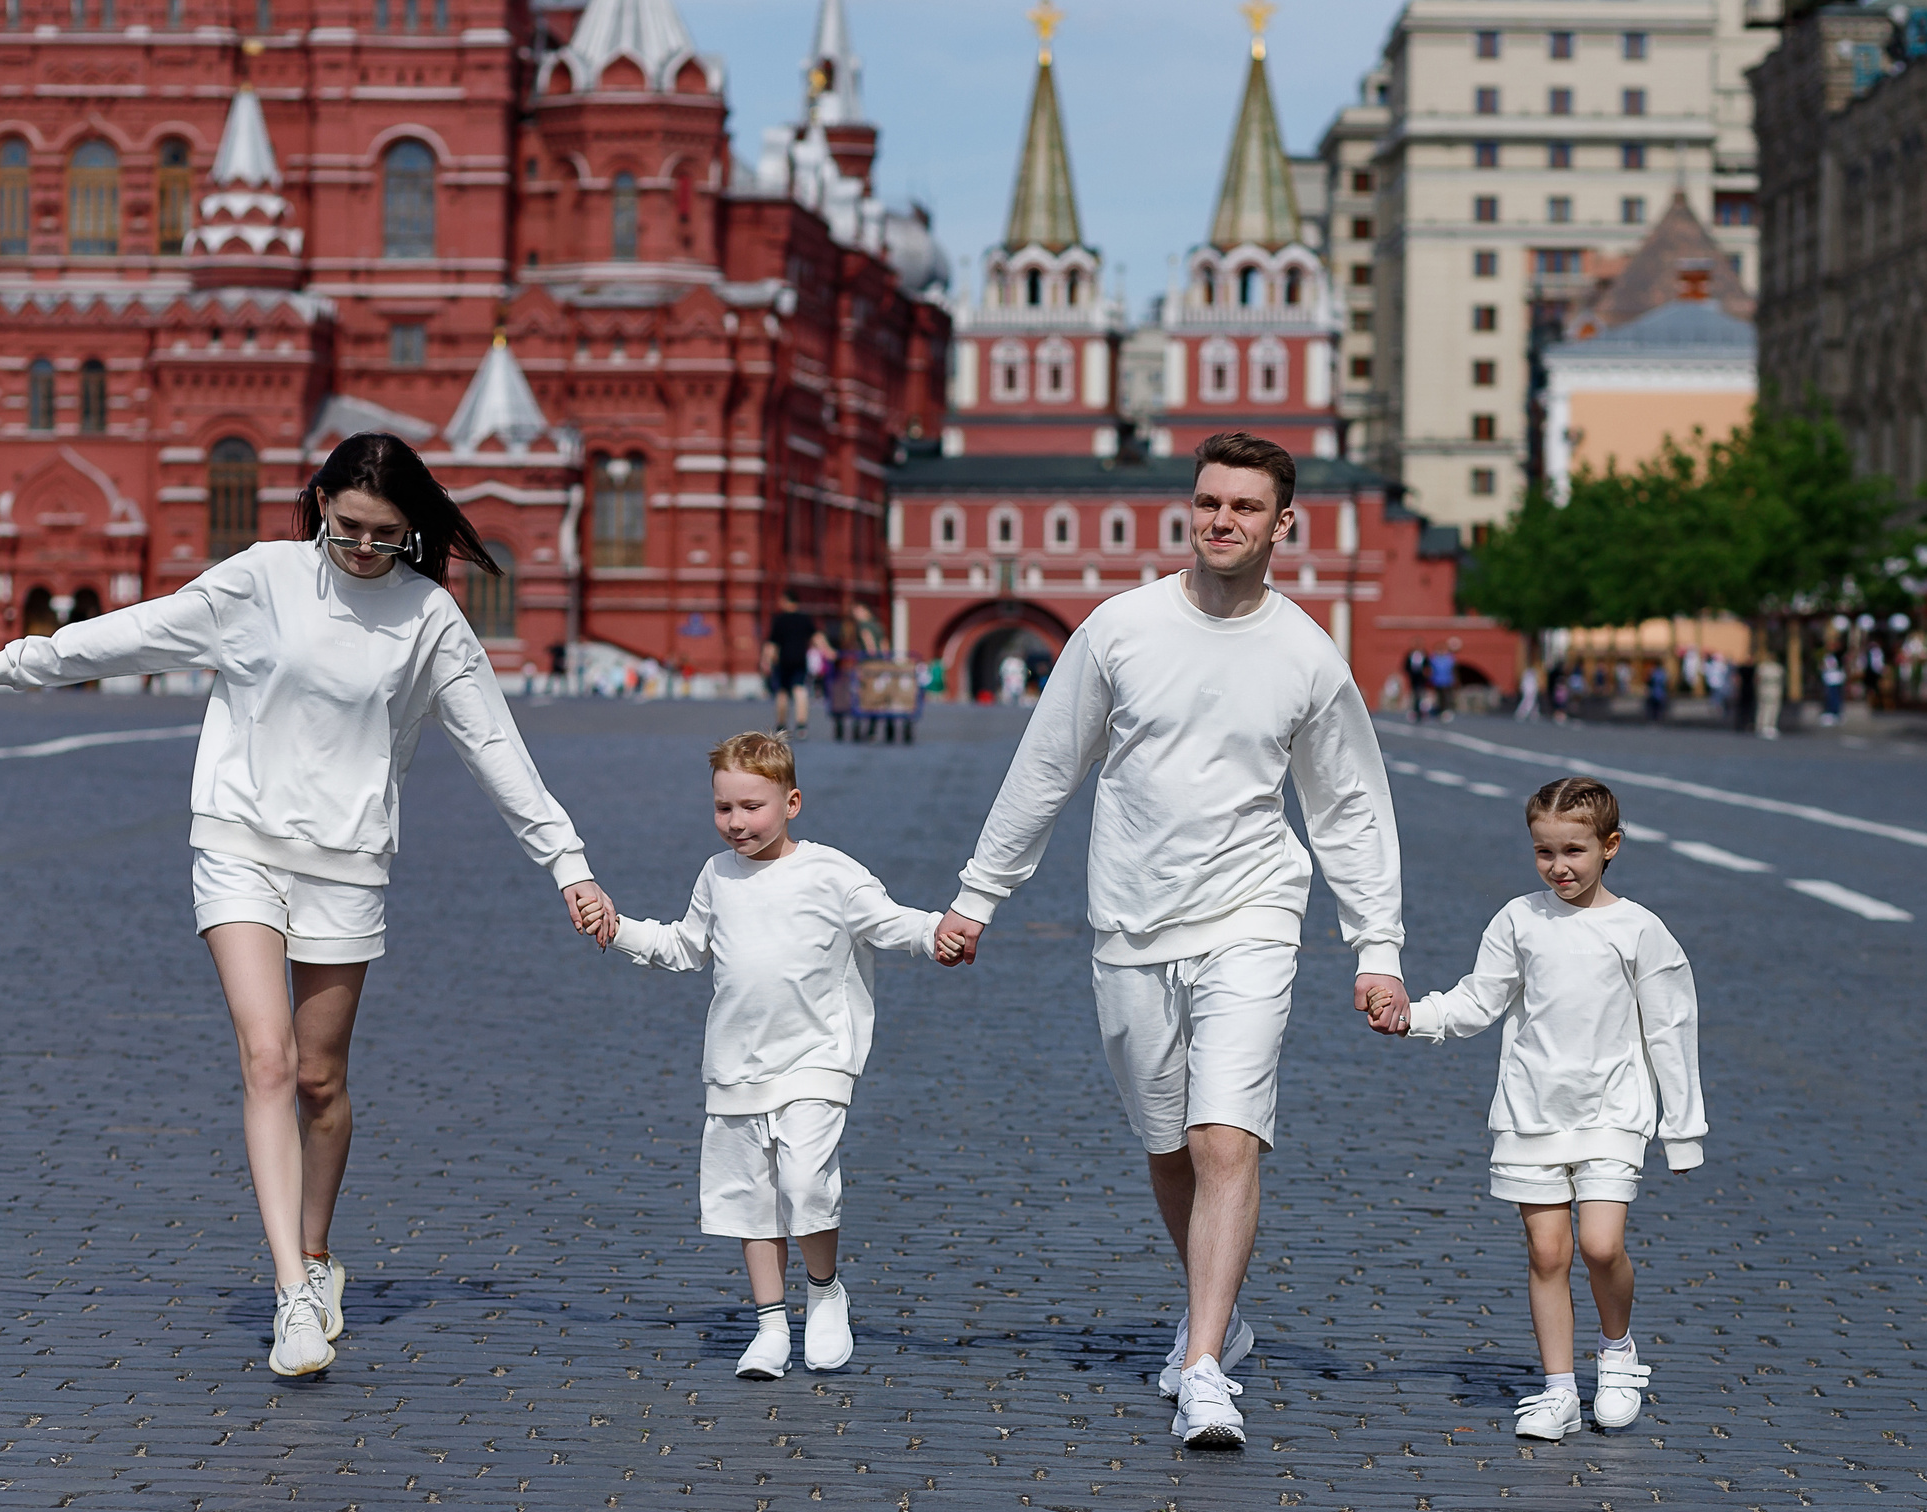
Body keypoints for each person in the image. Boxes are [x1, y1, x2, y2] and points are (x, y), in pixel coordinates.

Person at [0, 432, 620, 1379]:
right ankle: (292, 1290)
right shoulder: (264, 578)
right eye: (349, 527)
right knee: (268, 1056)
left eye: (386, 535)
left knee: (322, 1082)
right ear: (321, 500)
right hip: (238, 839)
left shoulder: (429, 619)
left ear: (413, 531)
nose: (363, 549)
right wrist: (13, 663)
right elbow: (143, 630)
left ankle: (320, 1254)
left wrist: (566, 862)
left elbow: (495, 748)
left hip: (347, 860)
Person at [931, 431, 1407, 1452]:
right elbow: (1045, 766)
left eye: (1243, 506)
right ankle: (1220, 1311)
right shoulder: (1118, 630)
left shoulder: (1306, 656)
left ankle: (1202, 1367)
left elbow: (1349, 811)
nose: (1221, 520)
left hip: (1251, 917)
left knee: (1222, 1135)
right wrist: (980, 894)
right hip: (1131, 922)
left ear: (1287, 523)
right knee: (1166, 1149)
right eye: (1206, 503)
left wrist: (1376, 947)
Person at [611, 731, 940, 1380]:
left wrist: (938, 933)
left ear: (792, 801)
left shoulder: (830, 872)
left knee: (805, 1183)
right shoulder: (717, 875)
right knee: (750, 1200)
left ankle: (823, 1292)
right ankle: (769, 1325)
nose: (736, 822)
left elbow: (887, 921)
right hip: (735, 1066)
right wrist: (615, 928)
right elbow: (683, 945)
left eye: (751, 806)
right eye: (723, 807)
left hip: (816, 1058)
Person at [1384, 776, 1705, 1440]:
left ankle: (1616, 1352)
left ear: (1610, 846)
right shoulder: (1518, 920)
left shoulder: (1639, 929)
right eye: (1544, 851)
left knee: (1599, 1243)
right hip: (1531, 1111)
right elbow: (1479, 999)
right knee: (1547, 1251)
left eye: (1575, 850)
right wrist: (1412, 1015)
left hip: (1613, 1111)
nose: (1559, 866)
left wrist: (1683, 1130)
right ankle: (1558, 1389)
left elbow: (1669, 1029)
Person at [762, 593, 818, 735]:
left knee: (782, 693)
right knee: (800, 690)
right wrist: (829, 652)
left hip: (783, 661)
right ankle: (801, 725)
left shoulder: (779, 620)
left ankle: (781, 726)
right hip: (799, 660)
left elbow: (772, 644)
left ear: (787, 602)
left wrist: (766, 661)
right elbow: (817, 636)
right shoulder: (804, 619)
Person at [1753, 655, 1785, 739]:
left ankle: (1768, 726)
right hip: (1768, 688)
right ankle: (1764, 726)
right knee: (1766, 708)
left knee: (1771, 708)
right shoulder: (1767, 667)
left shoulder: (1772, 667)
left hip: (1771, 688)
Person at [1819, 648, 1847, 726]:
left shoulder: (1832, 657)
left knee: (1833, 697)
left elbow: (1827, 666)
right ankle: (1834, 713)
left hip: (1833, 680)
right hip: (1831, 680)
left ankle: (1835, 713)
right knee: (1832, 697)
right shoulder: (1830, 657)